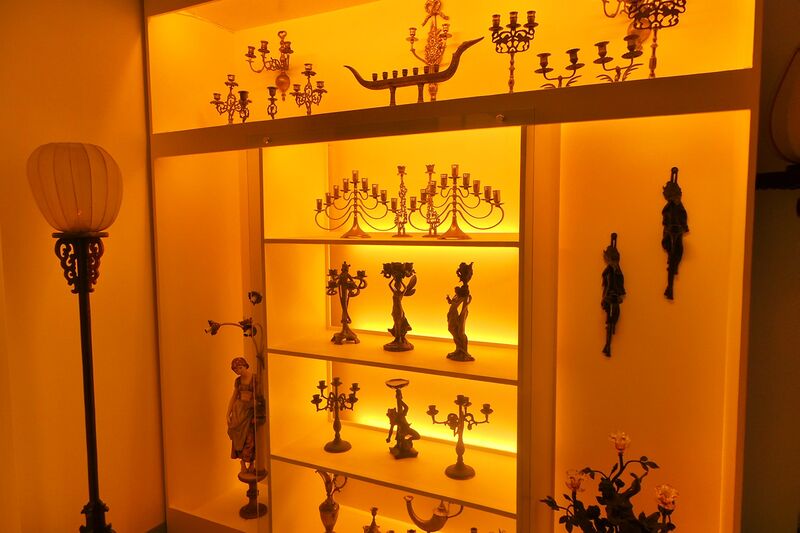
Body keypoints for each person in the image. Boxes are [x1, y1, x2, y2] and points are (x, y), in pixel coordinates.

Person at [227, 356, 256, 473]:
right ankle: (242, 463)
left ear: (245, 366)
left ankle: (252, 463)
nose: (239, 371)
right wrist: (227, 413)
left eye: (240, 368)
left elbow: (258, 396)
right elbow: (234, 397)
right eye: (236, 370)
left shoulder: (254, 379)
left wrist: (255, 411)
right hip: (238, 412)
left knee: (250, 438)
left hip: (249, 411)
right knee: (238, 437)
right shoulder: (238, 381)